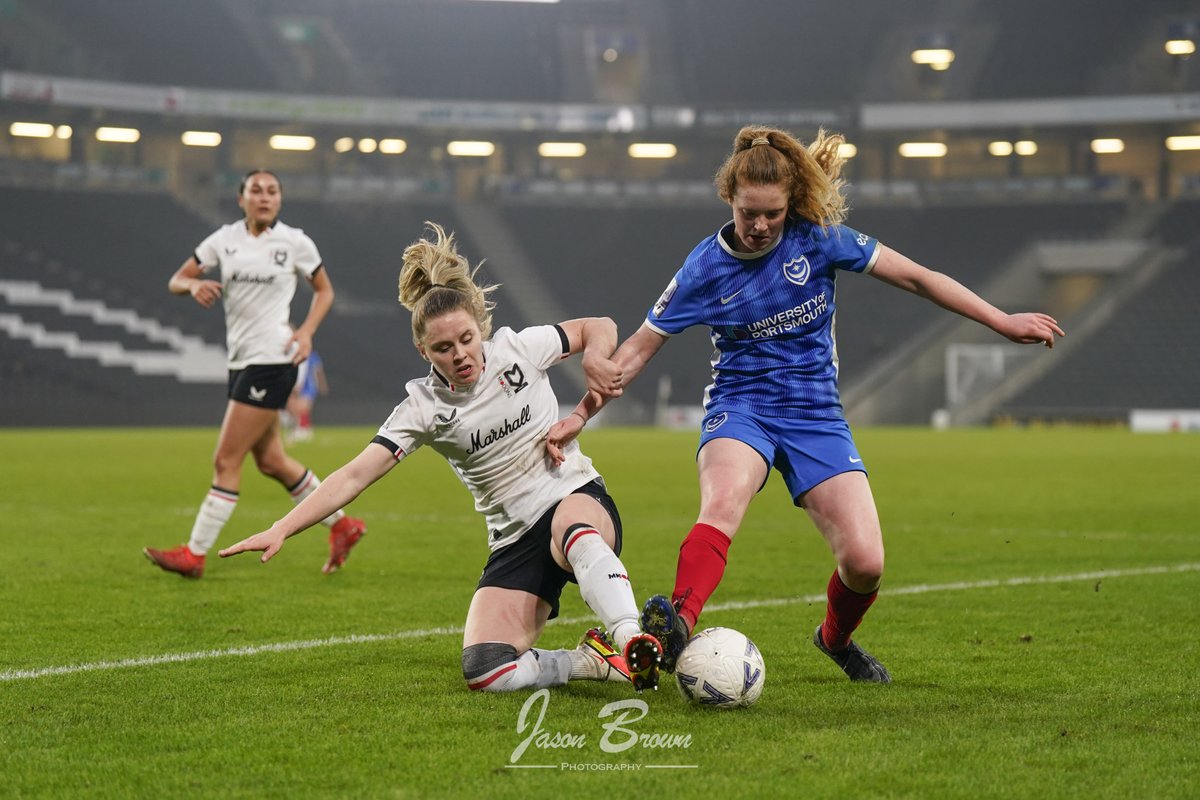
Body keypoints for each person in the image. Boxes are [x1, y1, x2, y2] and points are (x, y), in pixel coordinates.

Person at [547, 126, 1065, 684]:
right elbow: (636, 352)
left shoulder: (817, 238)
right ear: (730, 200)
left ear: (790, 204)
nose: (760, 225)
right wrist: (579, 415)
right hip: (740, 406)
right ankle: (675, 624)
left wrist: (1002, 320)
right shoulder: (703, 267)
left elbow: (918, 278)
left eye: (772, 213)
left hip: (815, 415)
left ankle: (834, 639)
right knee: (722, 503)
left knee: (866, 564)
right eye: (749, 213)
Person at [218, 222, 664, 693]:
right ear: (423, 350)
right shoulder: (422, 408)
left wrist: (594, 357)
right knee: (486, 670)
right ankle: (593, 661)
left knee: (574, 529)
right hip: (513, 538)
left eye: (467, 339)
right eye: (444, 348)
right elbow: (353, 476)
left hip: (573, 495)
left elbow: (602, 327)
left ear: (480, 327)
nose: (461, 355)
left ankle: (632, 638)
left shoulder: (520, 348)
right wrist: (282, 527)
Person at [143, 169, 366, 579]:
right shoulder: (223, 240)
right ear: (240, 198)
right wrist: (193, 287)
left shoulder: (295, 242)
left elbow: (325, 290)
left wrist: (306, 332)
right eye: (255, 190)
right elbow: (177, 278)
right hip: (241, 361)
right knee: (272, 460)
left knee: (226, 459)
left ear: (280, 200)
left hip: (273, 360)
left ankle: (194, 555)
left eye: (272, 191)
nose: (264, 197)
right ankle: (343, 525)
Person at [283, 348, 327, 442]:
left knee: (303, 408)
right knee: (292, 407)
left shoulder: (313, 356)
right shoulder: (294, 354)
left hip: (308, 387)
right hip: (296, 385)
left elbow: (318, 371)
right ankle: (297, 428)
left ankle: (303, 429)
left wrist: (322, 384)